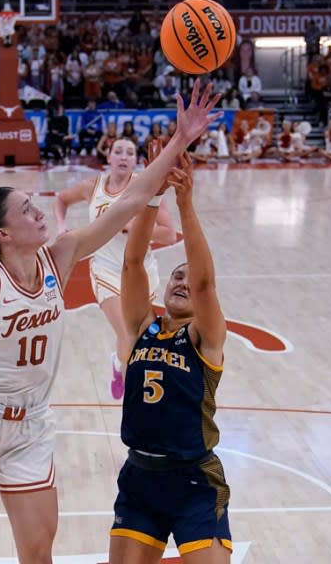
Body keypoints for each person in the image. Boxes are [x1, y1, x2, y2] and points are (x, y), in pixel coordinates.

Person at [0, 82, 221, 564]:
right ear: (3, 233)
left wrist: (182, 140)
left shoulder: (61, 256)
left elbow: (134, 196)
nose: (42, 213)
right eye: (28, 210)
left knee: (38, 556)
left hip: (31, 424)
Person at [109, 153, 231, 564]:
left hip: (194, 480)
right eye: (175, 276)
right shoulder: (141, 325)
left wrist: (184, 203)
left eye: (186, 278)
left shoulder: (205, 337)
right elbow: (132, 261)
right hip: (140, 478)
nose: (181, 281)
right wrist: (151, 195)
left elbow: (204, 280)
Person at [54, 138, 177, 399]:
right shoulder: (91, 187)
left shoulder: (146, 189)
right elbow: (61, 200)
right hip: (105, 268)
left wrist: (133, 226)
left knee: (137, 334)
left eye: (129, 153)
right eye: (118, 151)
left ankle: (119, 366)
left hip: (142, 271)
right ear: (108, 157)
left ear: (135, 161)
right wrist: (61, 226)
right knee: (127, 332)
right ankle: (138, 392)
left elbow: (169, 235)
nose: (123, 156)